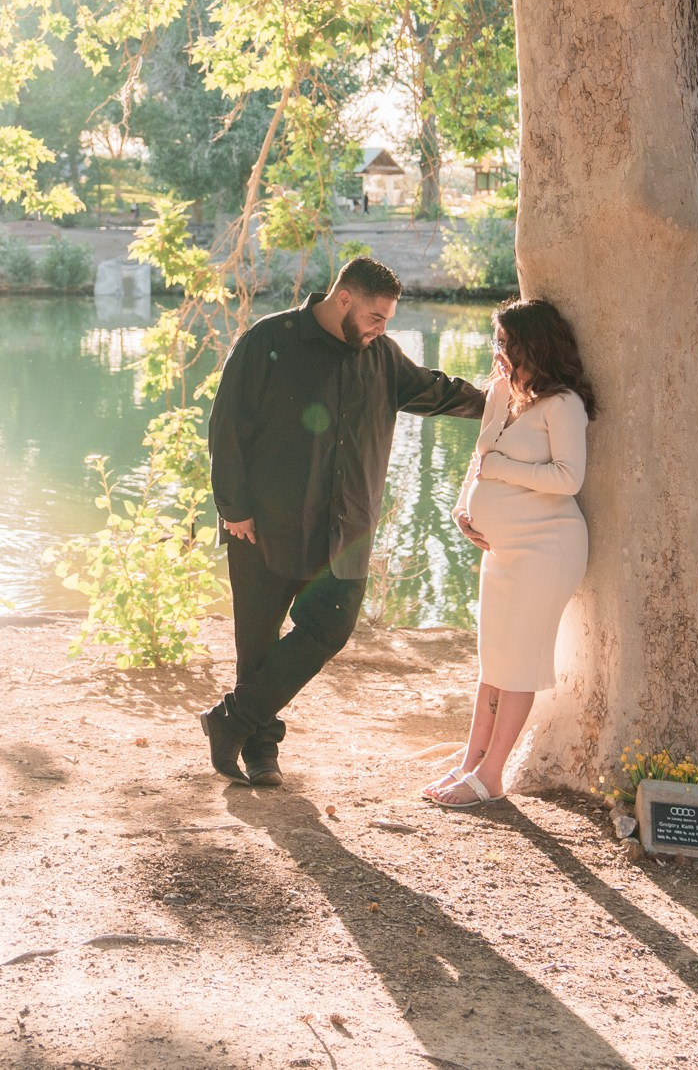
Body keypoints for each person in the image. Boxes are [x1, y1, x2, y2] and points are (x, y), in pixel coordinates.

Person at [202, 256, 486, 785]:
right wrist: (232, 508)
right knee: (257, 645)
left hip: (345, 530)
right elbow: (227, 427)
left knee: (331, 627)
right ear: (344, 299)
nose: (382, 328)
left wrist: (502, 403)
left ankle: (231, 721)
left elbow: (437, 391)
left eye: (388, 320)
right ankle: (260, 751)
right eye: (376, 317)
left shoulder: (382, 356)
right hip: (265, 526)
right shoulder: (269, 340)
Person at [422, 298, 595, 809]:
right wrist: (462, 508)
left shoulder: (563, 405)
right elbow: (479, 460)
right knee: (492, 661)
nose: (498, 352)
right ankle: (470, 762)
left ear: (534, 346)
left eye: (507, 344)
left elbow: (568, 477)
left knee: (518, 664)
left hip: (547, 548)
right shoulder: (501, 391)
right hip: (500, 550)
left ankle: (492, 776)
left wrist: (499, 471)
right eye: (496, 342)